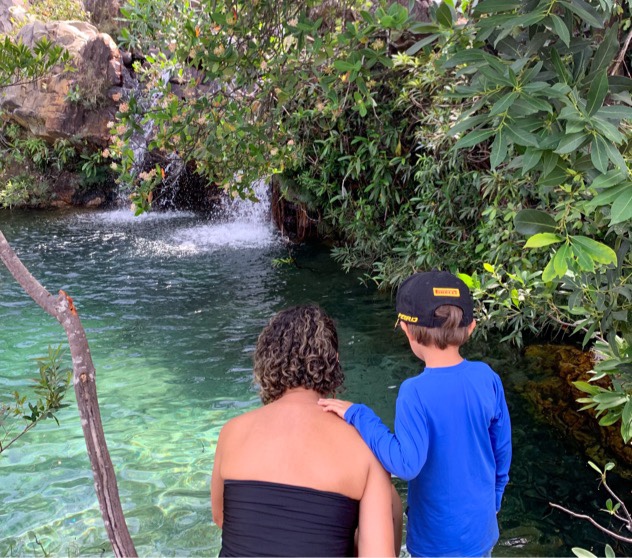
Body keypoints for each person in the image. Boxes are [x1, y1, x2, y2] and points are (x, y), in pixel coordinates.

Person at [319, 270, 512, 557]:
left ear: (408, 332)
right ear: (470, 327)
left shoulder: (414, 392)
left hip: (436, 542)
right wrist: (494, 500)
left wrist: (360, 415)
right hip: (481, 531)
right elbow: (502, 449)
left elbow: (406, 464)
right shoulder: (487, 378)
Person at [211, 305, 398, 557]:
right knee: (390, 500)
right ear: (334, 363)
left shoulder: (232, 432)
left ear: (266, 360)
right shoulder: (363, 447)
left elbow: (222, 518)